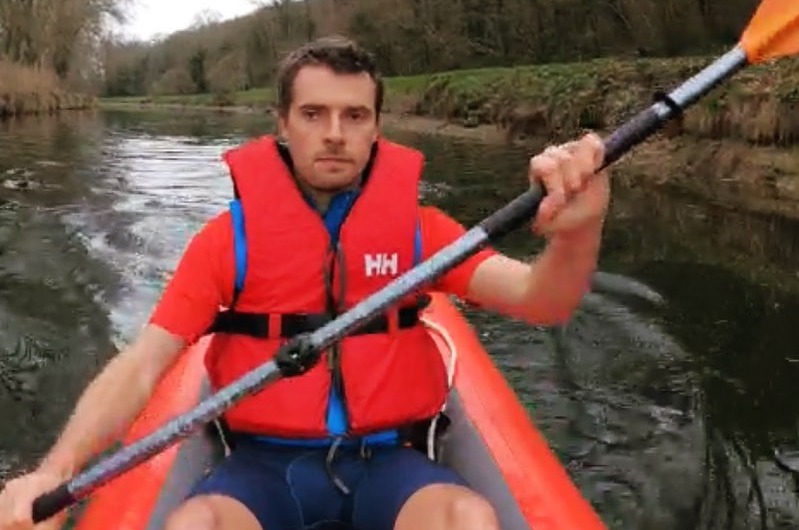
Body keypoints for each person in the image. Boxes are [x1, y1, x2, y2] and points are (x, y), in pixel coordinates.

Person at [0, 35, 610, 530]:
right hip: (261, 469)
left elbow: (542, 300)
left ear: (377, 128)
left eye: (355, 115)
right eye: (314, 114)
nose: (335, 132)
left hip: (389, 464)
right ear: (283, 124)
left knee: (467, 519)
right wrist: (56, 470)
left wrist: (577, 234)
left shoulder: (421, 232)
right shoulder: (227, 242)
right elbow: (143, 364)